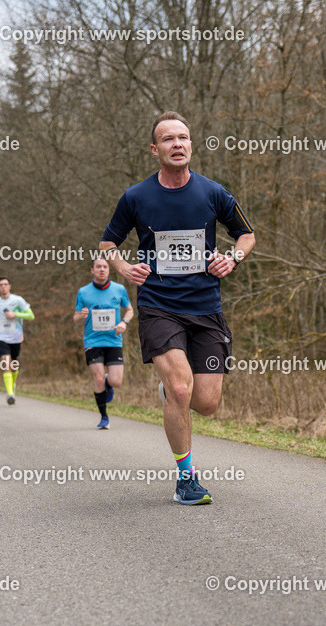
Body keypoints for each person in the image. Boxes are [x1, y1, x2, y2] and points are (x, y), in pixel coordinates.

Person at [98, 111, 255, 505]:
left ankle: (171, 394)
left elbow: (247, 235)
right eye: (168, 139)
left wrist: (232, 258)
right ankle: (186, 479)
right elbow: (107, 246)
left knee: (207, 404)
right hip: (158, 305)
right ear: (155, 149)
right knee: (182, 388)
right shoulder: (136, 197)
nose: (178, 144)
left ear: (191, 145)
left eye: (183, 137)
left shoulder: (213, 192)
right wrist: (123, 268)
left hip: (205, 307)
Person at [74, 257, 133, 429]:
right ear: (92, 270)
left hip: (114, 340)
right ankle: (104, 417)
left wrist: (124, 323)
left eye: (105, 267)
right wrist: (81, 315)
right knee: (98, 378)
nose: (102, 269)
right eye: (98, 267)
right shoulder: (83, 292)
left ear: (109, 270)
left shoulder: (119, 289)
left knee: (116, 382)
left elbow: (129, 310)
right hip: (93, 340)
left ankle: (109, 383)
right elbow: (76, 318)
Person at [0, 277, 34, 405]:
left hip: (16, 337)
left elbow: (31, 315)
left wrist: (16, 314)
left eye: (5, 284)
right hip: (2, 337)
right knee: (6, 364)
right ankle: (10, 394)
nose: (3, 287)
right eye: (0, 285)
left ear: (10, 286)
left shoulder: (18, 300)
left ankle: (12, 386)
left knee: (14, 366)